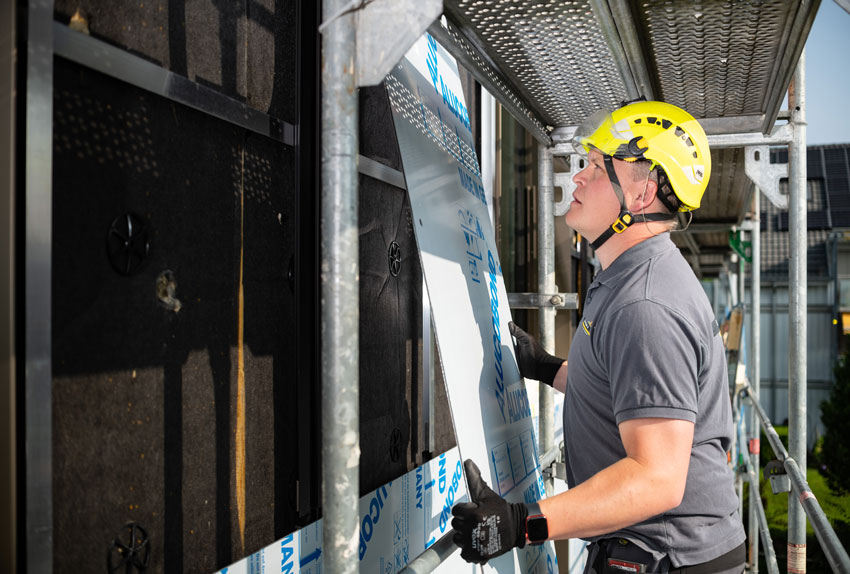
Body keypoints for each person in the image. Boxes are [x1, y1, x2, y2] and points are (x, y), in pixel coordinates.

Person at [451, 101, 746, 573]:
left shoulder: (645, 305)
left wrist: (521, 523)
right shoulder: (627, 277)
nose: (578, 177)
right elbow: (627, 391)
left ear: (642, 193)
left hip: (670, 557)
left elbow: (656, 478)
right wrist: (546, 367)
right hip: (654, 550)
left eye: (596, 166)